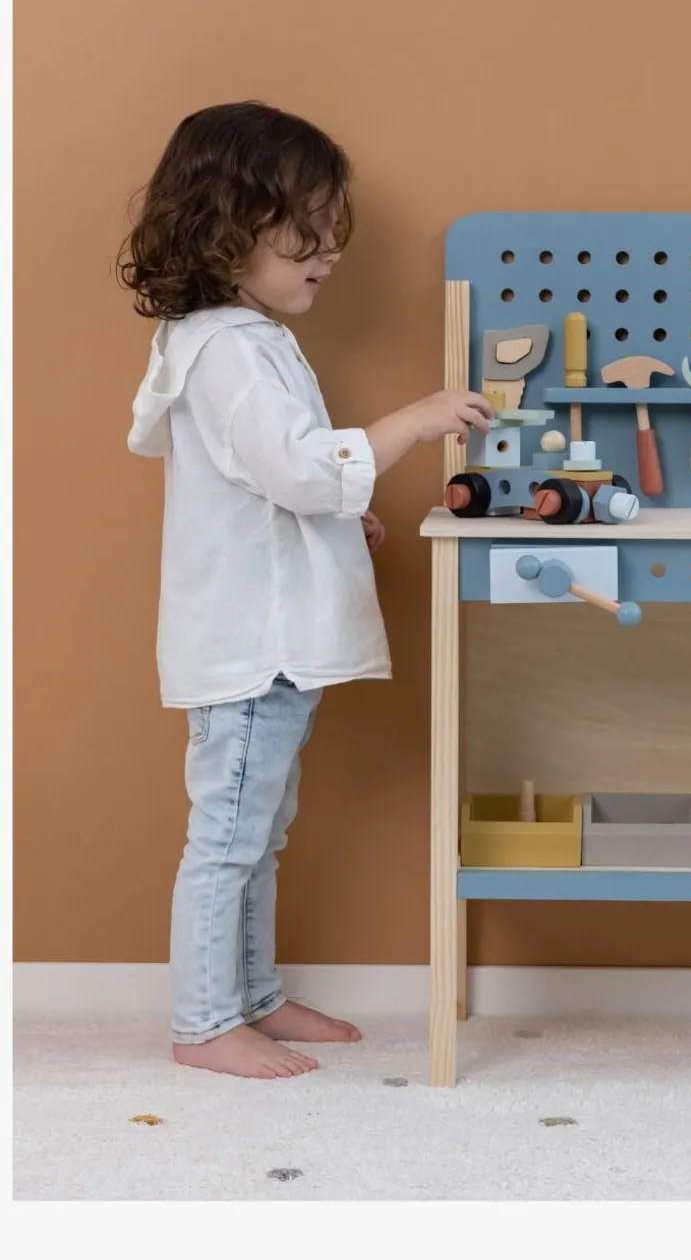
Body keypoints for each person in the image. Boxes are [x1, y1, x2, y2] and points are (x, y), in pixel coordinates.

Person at [122, 101, 492, 1078]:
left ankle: (249, 995)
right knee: (230, 836)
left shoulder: (238, 339)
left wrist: (335, 519)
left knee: (260, 829)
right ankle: (205, 1020)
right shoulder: (230, 350)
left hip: (266, 639)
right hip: (254, 646)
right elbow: (295, 466)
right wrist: (413, 420)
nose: (330, 250)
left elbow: (265, 482)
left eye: (333, 229)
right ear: (226, 227)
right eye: (307, 231)